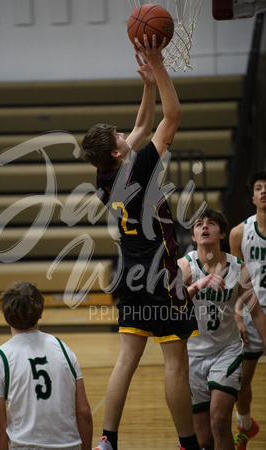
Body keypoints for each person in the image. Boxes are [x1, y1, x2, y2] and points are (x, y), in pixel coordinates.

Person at [82, 34, 200, 450]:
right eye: (117, 138)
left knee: (126, 361)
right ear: (117, 153)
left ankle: (107, 440)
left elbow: (142, 126)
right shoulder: (141, 167)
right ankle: (188, 443)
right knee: (175, 367)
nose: (123, 136)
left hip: (130, 277)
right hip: (162, 276)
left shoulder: (104, 175)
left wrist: (147, 83)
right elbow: (173, 116)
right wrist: (160, 64)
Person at [178, 209, 266, 450]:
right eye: (199, 224)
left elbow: (256, 312)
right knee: (204, 439)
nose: (204, 226)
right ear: (194, 236)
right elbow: (168, 307)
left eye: (211, 223)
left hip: (226, 352)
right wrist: (195, 286)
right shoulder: (185, 267)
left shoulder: (238, 268)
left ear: (222, 233)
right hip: (192, 355)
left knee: (219, 422)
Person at [0, 281, 93, 450]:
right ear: (40, 313)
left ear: (5, 315)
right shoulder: (63, 349)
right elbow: (84, 412)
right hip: (68, 446)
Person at [229, 170, 266, 449]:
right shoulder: (240, 233)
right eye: (259, 187)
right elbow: (237, 282)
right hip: (253, 314)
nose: (264, 191)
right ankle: (244, 426)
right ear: (252, 197)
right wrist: (238, 316)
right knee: (242, 382)